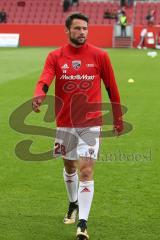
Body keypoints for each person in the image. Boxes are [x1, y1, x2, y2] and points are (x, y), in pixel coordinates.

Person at [32, 12, 123, 240]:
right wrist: (38, 94)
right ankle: (72, 203)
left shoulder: (100, 56)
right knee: (70, 168)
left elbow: (112, 87)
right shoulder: (55, 56)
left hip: (91, 123)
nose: (82, 32)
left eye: (85, 28)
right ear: (68, 30)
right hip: (65, 122)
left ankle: (82, 223)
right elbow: (45, 78)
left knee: (86, 171)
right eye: (77, 28)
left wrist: (118, 117)